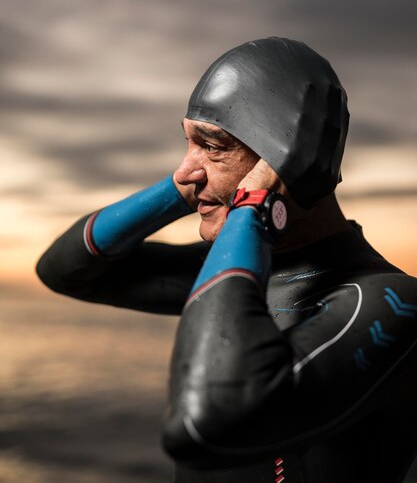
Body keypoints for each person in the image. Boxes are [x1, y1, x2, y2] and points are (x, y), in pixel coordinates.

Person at [36, 37, 417, 483]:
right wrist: (184, 191)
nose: (184, 169)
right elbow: (63, 271)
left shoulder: (391, 305)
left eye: (213, 145)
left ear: (289, 161)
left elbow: (206, 423)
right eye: (188, 142)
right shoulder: (238, 267)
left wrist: (254, 205)